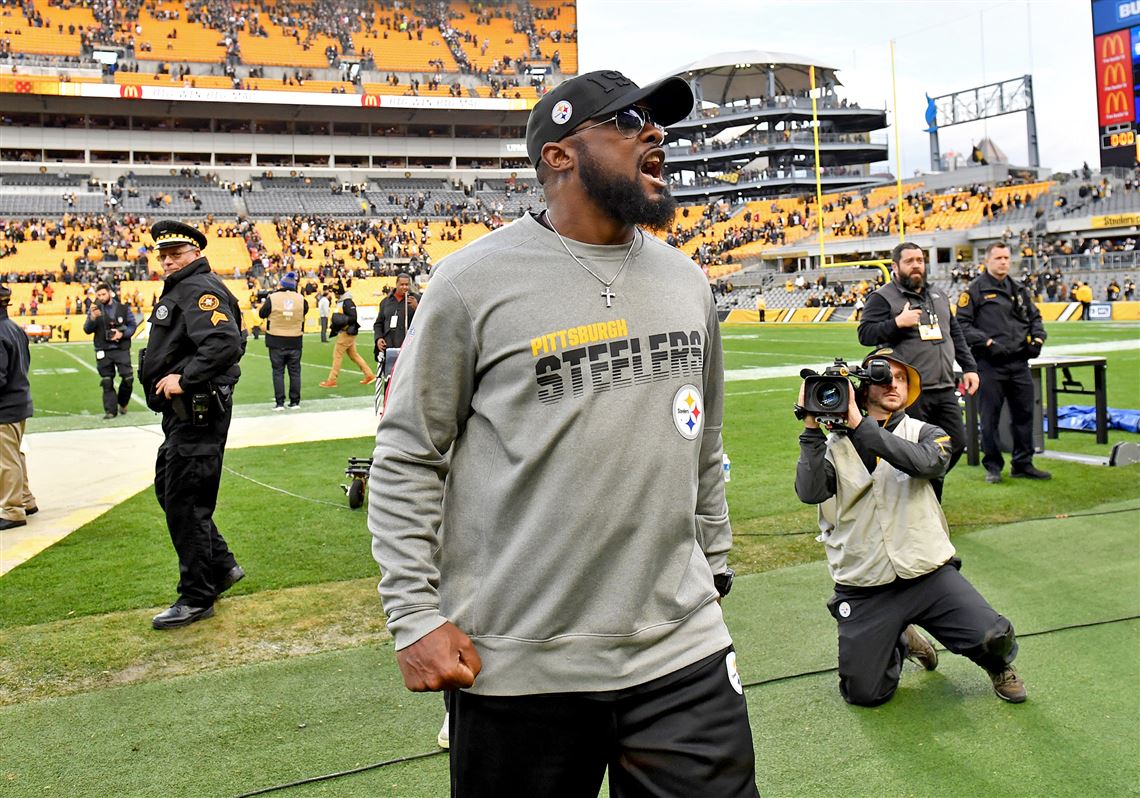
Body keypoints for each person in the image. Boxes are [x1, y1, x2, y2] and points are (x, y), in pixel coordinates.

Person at [369, 69, 758, 796]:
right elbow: (409, 458)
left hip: (683, 649)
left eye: (656, 121)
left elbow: (703, 439)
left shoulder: (687, 281)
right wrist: (414, 615)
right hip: (521, 664)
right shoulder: (470, 281)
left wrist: (715, 554)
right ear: (559, 155)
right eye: (627, 120)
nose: (655, 132)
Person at [794, 348, 1027, 705]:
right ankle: (900, 637)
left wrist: (860, 425)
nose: (893, 384)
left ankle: (998, 666)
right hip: (865, 584)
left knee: (992, 636)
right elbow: (810, 492)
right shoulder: (831, 445)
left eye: (902, 378)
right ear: (862, 387)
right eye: (882, 376)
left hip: (928, 573)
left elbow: (926, 463)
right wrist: (811, 427)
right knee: (864, 694)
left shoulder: (928, 432)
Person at [140, 221, 246, 629]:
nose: (168, 260)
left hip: (197, 413)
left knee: (187, 501)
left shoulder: (200, 288)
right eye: (163, 255)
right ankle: (220, 566)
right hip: (183, 416)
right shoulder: (184, 288)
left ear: (196, 252)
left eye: (176, 254)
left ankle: (197, 595)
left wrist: (185, 379)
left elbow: (225, 343)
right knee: (170, 490)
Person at [858, 242, 978, 499]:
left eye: (920, 260)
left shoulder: (939, 295)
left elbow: (954, 333)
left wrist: (969, 367)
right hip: (909, 391)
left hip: (944, 386)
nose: (916, 265)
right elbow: (865, 334)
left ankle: (927, 493)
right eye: (909, 261)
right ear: (895, 266)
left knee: (956, 443)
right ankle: (919, 502)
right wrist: (897, 323)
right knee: (912, 449)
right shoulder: (883, 297)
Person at [956, 242, 1050, 483]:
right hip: (989, 364)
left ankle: (1023, 463)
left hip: (1019, 363)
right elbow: (962, 326)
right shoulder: (975, 291)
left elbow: (1035, 317)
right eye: (998, 257)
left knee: (1024, 415)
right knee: (990, 418)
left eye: (1007, 257)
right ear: (987, 260)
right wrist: (986, 342)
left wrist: (1038, 339)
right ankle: (993, 466)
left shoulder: (1018, 289)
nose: (1003, 262)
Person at [0, 284, 37, 531]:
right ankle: (26, 499)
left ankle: (11, 510)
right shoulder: (14, 328)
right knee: (14, 455)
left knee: (5, 460)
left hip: (4, 406)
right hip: (18, 401)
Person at [83, 282, 139, 419]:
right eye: (99, 295)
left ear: (110, 293)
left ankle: (123, 403)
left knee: (128, 379)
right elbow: (87, 329)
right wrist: (92, 318)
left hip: (121, 348)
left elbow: (132, 325)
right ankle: (110, 411)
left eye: (103, 294)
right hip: (103, 349)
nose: (101, 297)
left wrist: (122, 334)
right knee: (107, 380)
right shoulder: (95, 310)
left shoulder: (123, 308)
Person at [258, 271, 307, 410]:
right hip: (295, 340)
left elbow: (262, 314)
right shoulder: (301, 298)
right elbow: (304, 311)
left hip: (276, 340)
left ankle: (280, 402)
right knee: (295, 372)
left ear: (282, 284)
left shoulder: (273, 298)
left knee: (278, 372)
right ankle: (295, 401)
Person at [319, 289, 375, 388]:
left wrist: (342, 320)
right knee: (354, 355)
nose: (335, 295)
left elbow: (353, 317)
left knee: (337, 356)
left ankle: (332, 380)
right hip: (347, 332)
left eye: (336, 293)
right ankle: (369, 375)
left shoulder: (347, 302)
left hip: (346, 333)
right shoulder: (344, 302)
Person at [373, 272, 417, 381]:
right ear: (396, 284)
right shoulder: (385, 302)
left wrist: (417, 307)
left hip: (409, 348)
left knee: (407, 381)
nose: (404, 287)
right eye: (402, 284)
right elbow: (378, 324)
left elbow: (426, 319)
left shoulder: (417, 299)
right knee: (389, 380)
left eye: (407, 284)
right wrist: (378, 338)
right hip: (389, 347)